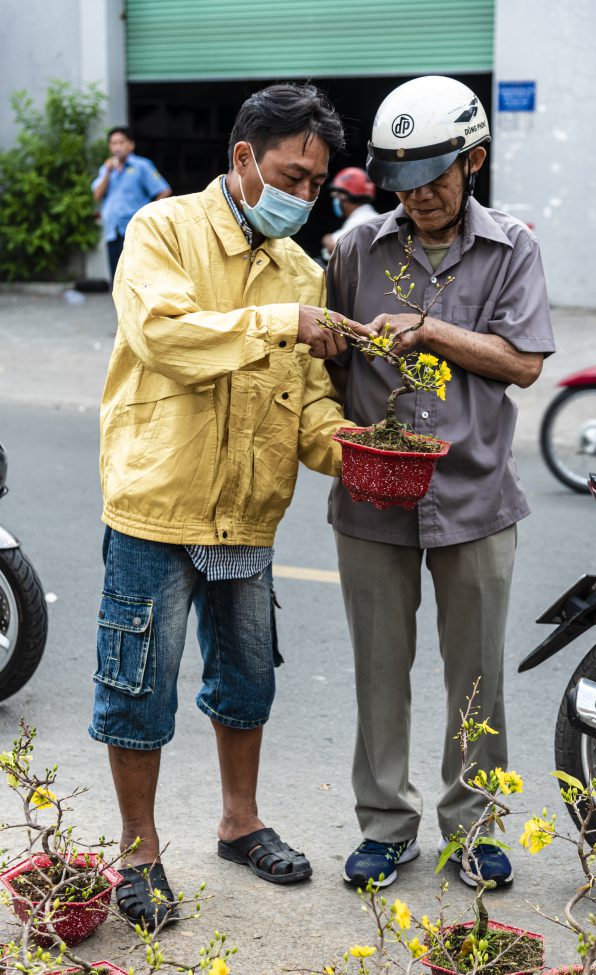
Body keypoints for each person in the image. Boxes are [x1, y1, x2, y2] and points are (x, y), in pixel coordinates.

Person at [88, 83, 362, 930]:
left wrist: (357, 448)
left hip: (249, 512)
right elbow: (162, 336)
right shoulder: (162, 229)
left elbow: (310, 401)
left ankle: (239, 822)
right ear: (244, 159)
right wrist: (282, 320)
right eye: (293, 174)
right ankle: (139, 852)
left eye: (318, 183)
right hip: (157, 502)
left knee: (245, 684)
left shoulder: (302, 268)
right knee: (137, 688)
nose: (305, 195)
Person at [326, 75, 555, 890]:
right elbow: (330, 357)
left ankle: (474, 827)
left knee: (478, 676)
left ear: (474, 162)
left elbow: (523, 362)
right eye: (402, 180)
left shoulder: (512, 247)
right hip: (371, 497)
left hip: (477, 497)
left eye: (434, 176)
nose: (417, 195)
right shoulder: (355, 249)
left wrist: (430, 329)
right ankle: (386, 826)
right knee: (380, 669)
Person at [91, 126, 172, 283]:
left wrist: (147, 214)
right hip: (112, 230)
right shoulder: (107, 169)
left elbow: (164, 191)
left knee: (135, 277)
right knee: (117, 278)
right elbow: (97, 195)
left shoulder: (141, 166)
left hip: (133, 229)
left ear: (131, 145)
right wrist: (107, 172)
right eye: (113, 143)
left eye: (121, 142)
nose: (117, 147)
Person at [321, 166, 378, 260]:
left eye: (336, 196)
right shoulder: (374, 217)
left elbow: (335, 247)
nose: (335, 200)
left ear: (344, 198)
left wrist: (326, 239)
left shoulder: (361, 221)